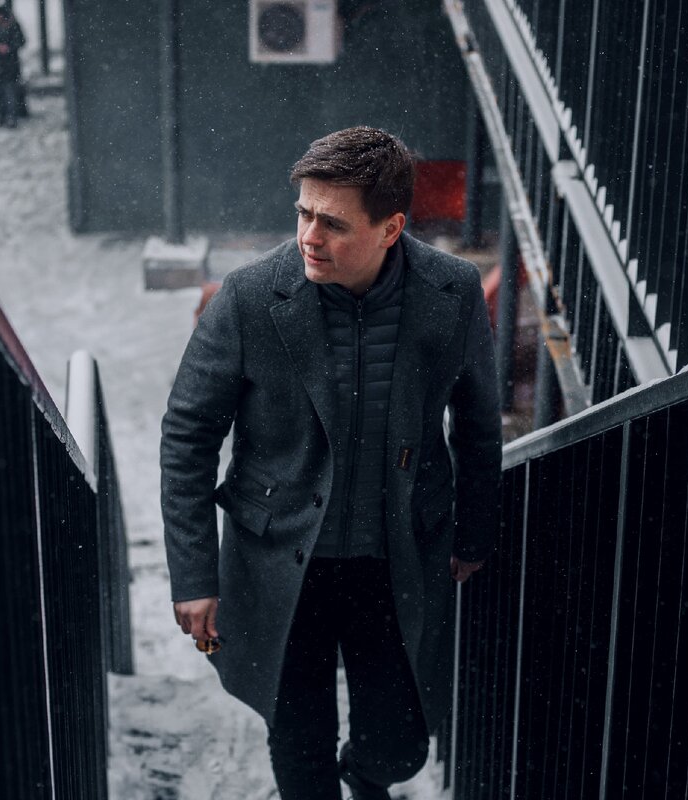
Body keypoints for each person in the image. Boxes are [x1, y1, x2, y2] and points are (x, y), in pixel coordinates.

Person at [161, 127, 502, 799]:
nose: (309, 236)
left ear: (390, 228)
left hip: (396, 558)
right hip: (280, 561)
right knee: (299, 739)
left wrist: (473, 533)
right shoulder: (249, 297)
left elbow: (478, 423)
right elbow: (187, 436)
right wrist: (195, 574)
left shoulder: (453, 291)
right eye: (304, 213)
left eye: (333, 223)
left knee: (399, 743)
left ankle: (367, 776)